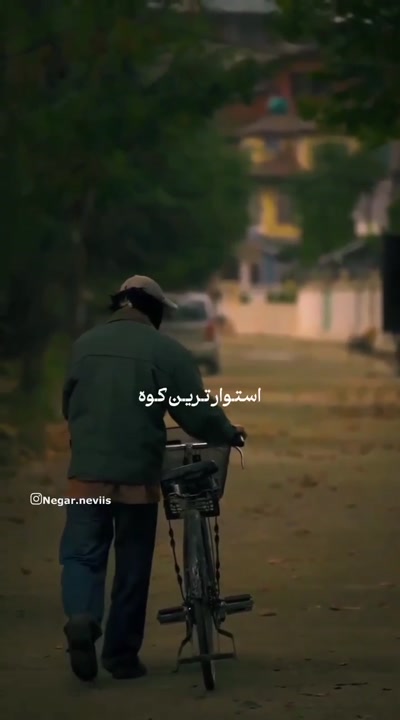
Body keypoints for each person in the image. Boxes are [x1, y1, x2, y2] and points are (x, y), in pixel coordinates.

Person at [60, 275, 246, 683]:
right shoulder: (166, 351)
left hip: (87, 474)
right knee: (132, 563)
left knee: (82, 554)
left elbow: (68, 404)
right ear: (155, 311)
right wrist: (227, 433)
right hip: (138, 475)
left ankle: (82, 617)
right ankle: (121, 656)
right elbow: (195, 412)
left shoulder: (84, 345)